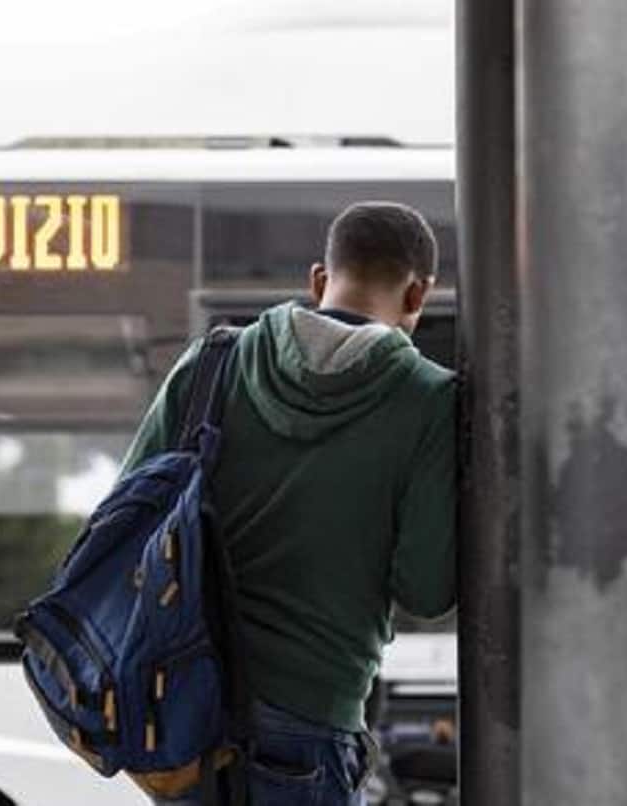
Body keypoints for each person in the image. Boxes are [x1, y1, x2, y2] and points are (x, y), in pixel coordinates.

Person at [120, 201, 457, 805]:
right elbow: (426, 589)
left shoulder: (211, 363)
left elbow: (128, 519)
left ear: (319, 280)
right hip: (311, 717)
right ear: (418, 294)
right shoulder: (429, 400)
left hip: (184, 713)